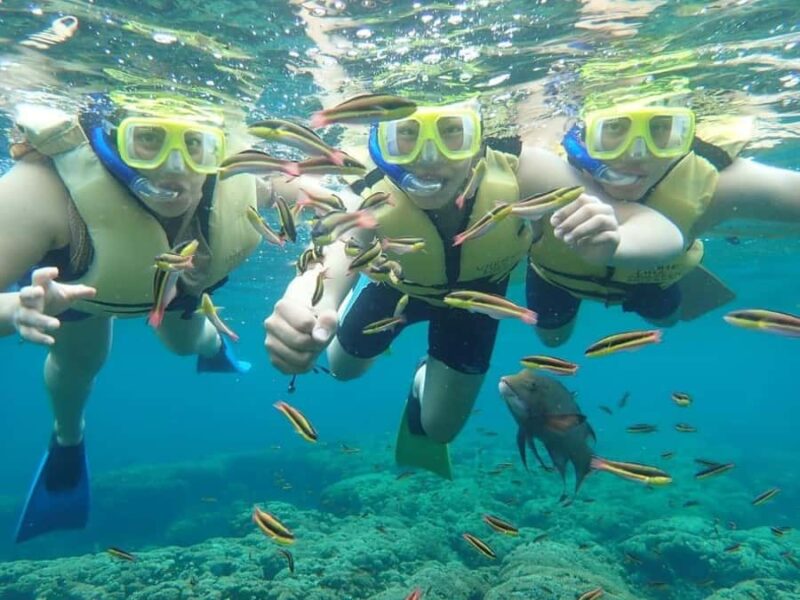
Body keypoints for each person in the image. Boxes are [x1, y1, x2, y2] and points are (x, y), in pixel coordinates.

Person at [264, 98, 684, 479]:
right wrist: (304, 299)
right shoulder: (369, 188)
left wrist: (617, 243)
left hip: (476, 303)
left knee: (440, 429)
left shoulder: (522, 170)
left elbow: (658, 227)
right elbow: (335, 253)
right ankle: (379, 351)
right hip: (397, 288)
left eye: (452, 133)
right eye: (406, 137)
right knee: (342, 370)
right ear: (380, 145)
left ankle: (419, 383)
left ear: (479, 139)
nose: (429, 159)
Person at [0, 91, 285, 542]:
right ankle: (67, 440)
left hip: (181, 281)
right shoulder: (39, 190)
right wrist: (16, 308)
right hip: (78, 289)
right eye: (148, 139)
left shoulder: (234, 174)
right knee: (79, 365)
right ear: (111, 137)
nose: (174, 166)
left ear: (219, 147)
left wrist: (312, 192)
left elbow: (275, 189)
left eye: (194, 144)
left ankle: (213, 345)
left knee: (183, 342)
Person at [525, 80, 800, 346]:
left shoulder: (714, 180)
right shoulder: (549, 174)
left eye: (660, 128)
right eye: (614, 127)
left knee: (667, 320)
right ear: (581, 137)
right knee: (553, 341)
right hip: (556, 278)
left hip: (651, 282)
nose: (636, 154)